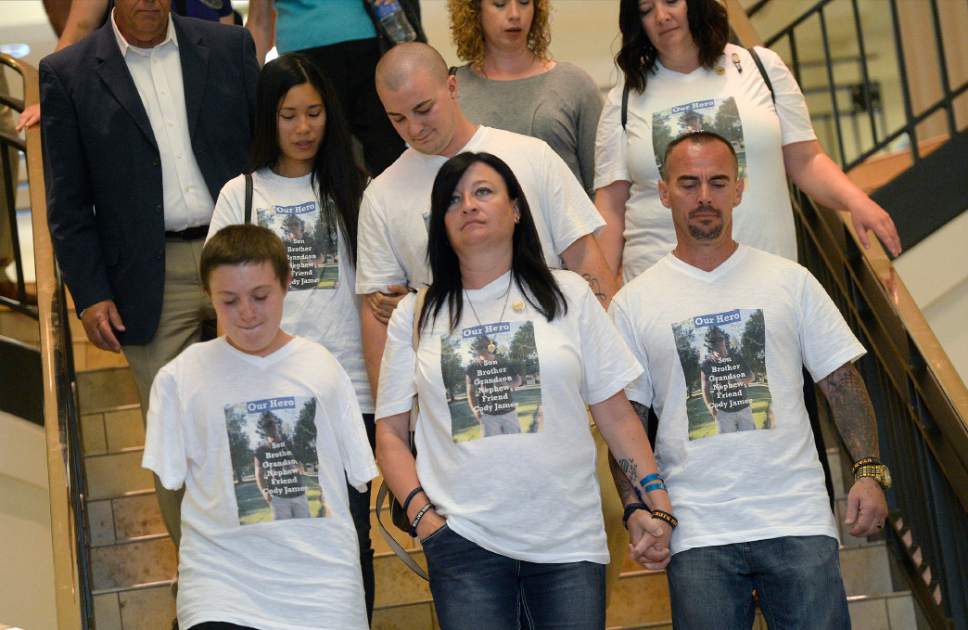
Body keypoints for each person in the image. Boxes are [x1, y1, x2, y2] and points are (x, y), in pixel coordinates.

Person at [375, 151, 675, 629]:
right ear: (440, 223)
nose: (469, 205)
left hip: (569, 544)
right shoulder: (415, 315)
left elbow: (616, 414)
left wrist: (654, 497)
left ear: (516, 209)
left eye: (483, 191)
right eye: (453, 199)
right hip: (463, 545)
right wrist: (426, 521)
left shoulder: (569, 295)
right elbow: (390, 434)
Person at [609, 131, 891, 629]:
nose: (703, 197)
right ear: (663, 191)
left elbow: (841, 382)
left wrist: (867, 472)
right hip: (696, 531)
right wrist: (636, 509)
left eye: (718, 182)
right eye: (689, 183)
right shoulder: (634, 303)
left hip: (797, 519)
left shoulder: (791, 280)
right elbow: (625, 421)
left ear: (739, 189)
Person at [39, 0, 259, 545]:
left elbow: (267, 153)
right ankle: (202, 584)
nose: (148, 3)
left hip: (241, 253)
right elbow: (68, 204)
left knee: (267, 413)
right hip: (146, 276)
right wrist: (90, 294)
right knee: (176, 436)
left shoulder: (229, 48)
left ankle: (272, 567)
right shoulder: (66, 73)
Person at [206, 51, 379, 621]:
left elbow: (381, 283)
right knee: (277, 537)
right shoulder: (242, 195)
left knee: (350, 538)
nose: (304, 128)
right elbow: (223, 298)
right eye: (288, 115)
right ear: (267, 119)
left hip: (350, 391)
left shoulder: (355, 187)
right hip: (268, 394)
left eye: (314, 112)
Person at [143, 224, 376, 630]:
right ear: (207, 294)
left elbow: (358, 474)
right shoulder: (178, 379)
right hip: (221, 589)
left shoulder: (322, 366)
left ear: (286, 284)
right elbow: (171, 478)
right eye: (229, 301)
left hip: (323, 587)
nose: (247, 313)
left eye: (260, 296)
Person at [594, 0, 901, 284]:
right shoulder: (624, 97)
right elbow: (610, 207)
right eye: (646, 9)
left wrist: (855, 200)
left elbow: (807, 161)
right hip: (662, 297)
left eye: (672, 0)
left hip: (766, 282)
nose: (661, 16)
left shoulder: (761, 67)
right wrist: (599, 297)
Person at [246, 0, 426, 176]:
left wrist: (250, 86)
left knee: (318, 153)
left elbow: (259, 22)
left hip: (310, 47)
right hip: (356, 39)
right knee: (382, 149)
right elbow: (259, 23)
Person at [447, 0, 602, 195]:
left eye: (524, 2)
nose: (514, 14)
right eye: (500, 4)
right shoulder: (452, 89)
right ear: (475, 10)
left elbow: (604, 188)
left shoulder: (574, 84)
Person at [17, 0, 237, 132]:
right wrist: (50, 99)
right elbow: (77, 32)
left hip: (203, 95)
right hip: (136, 93)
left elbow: (224, 42)